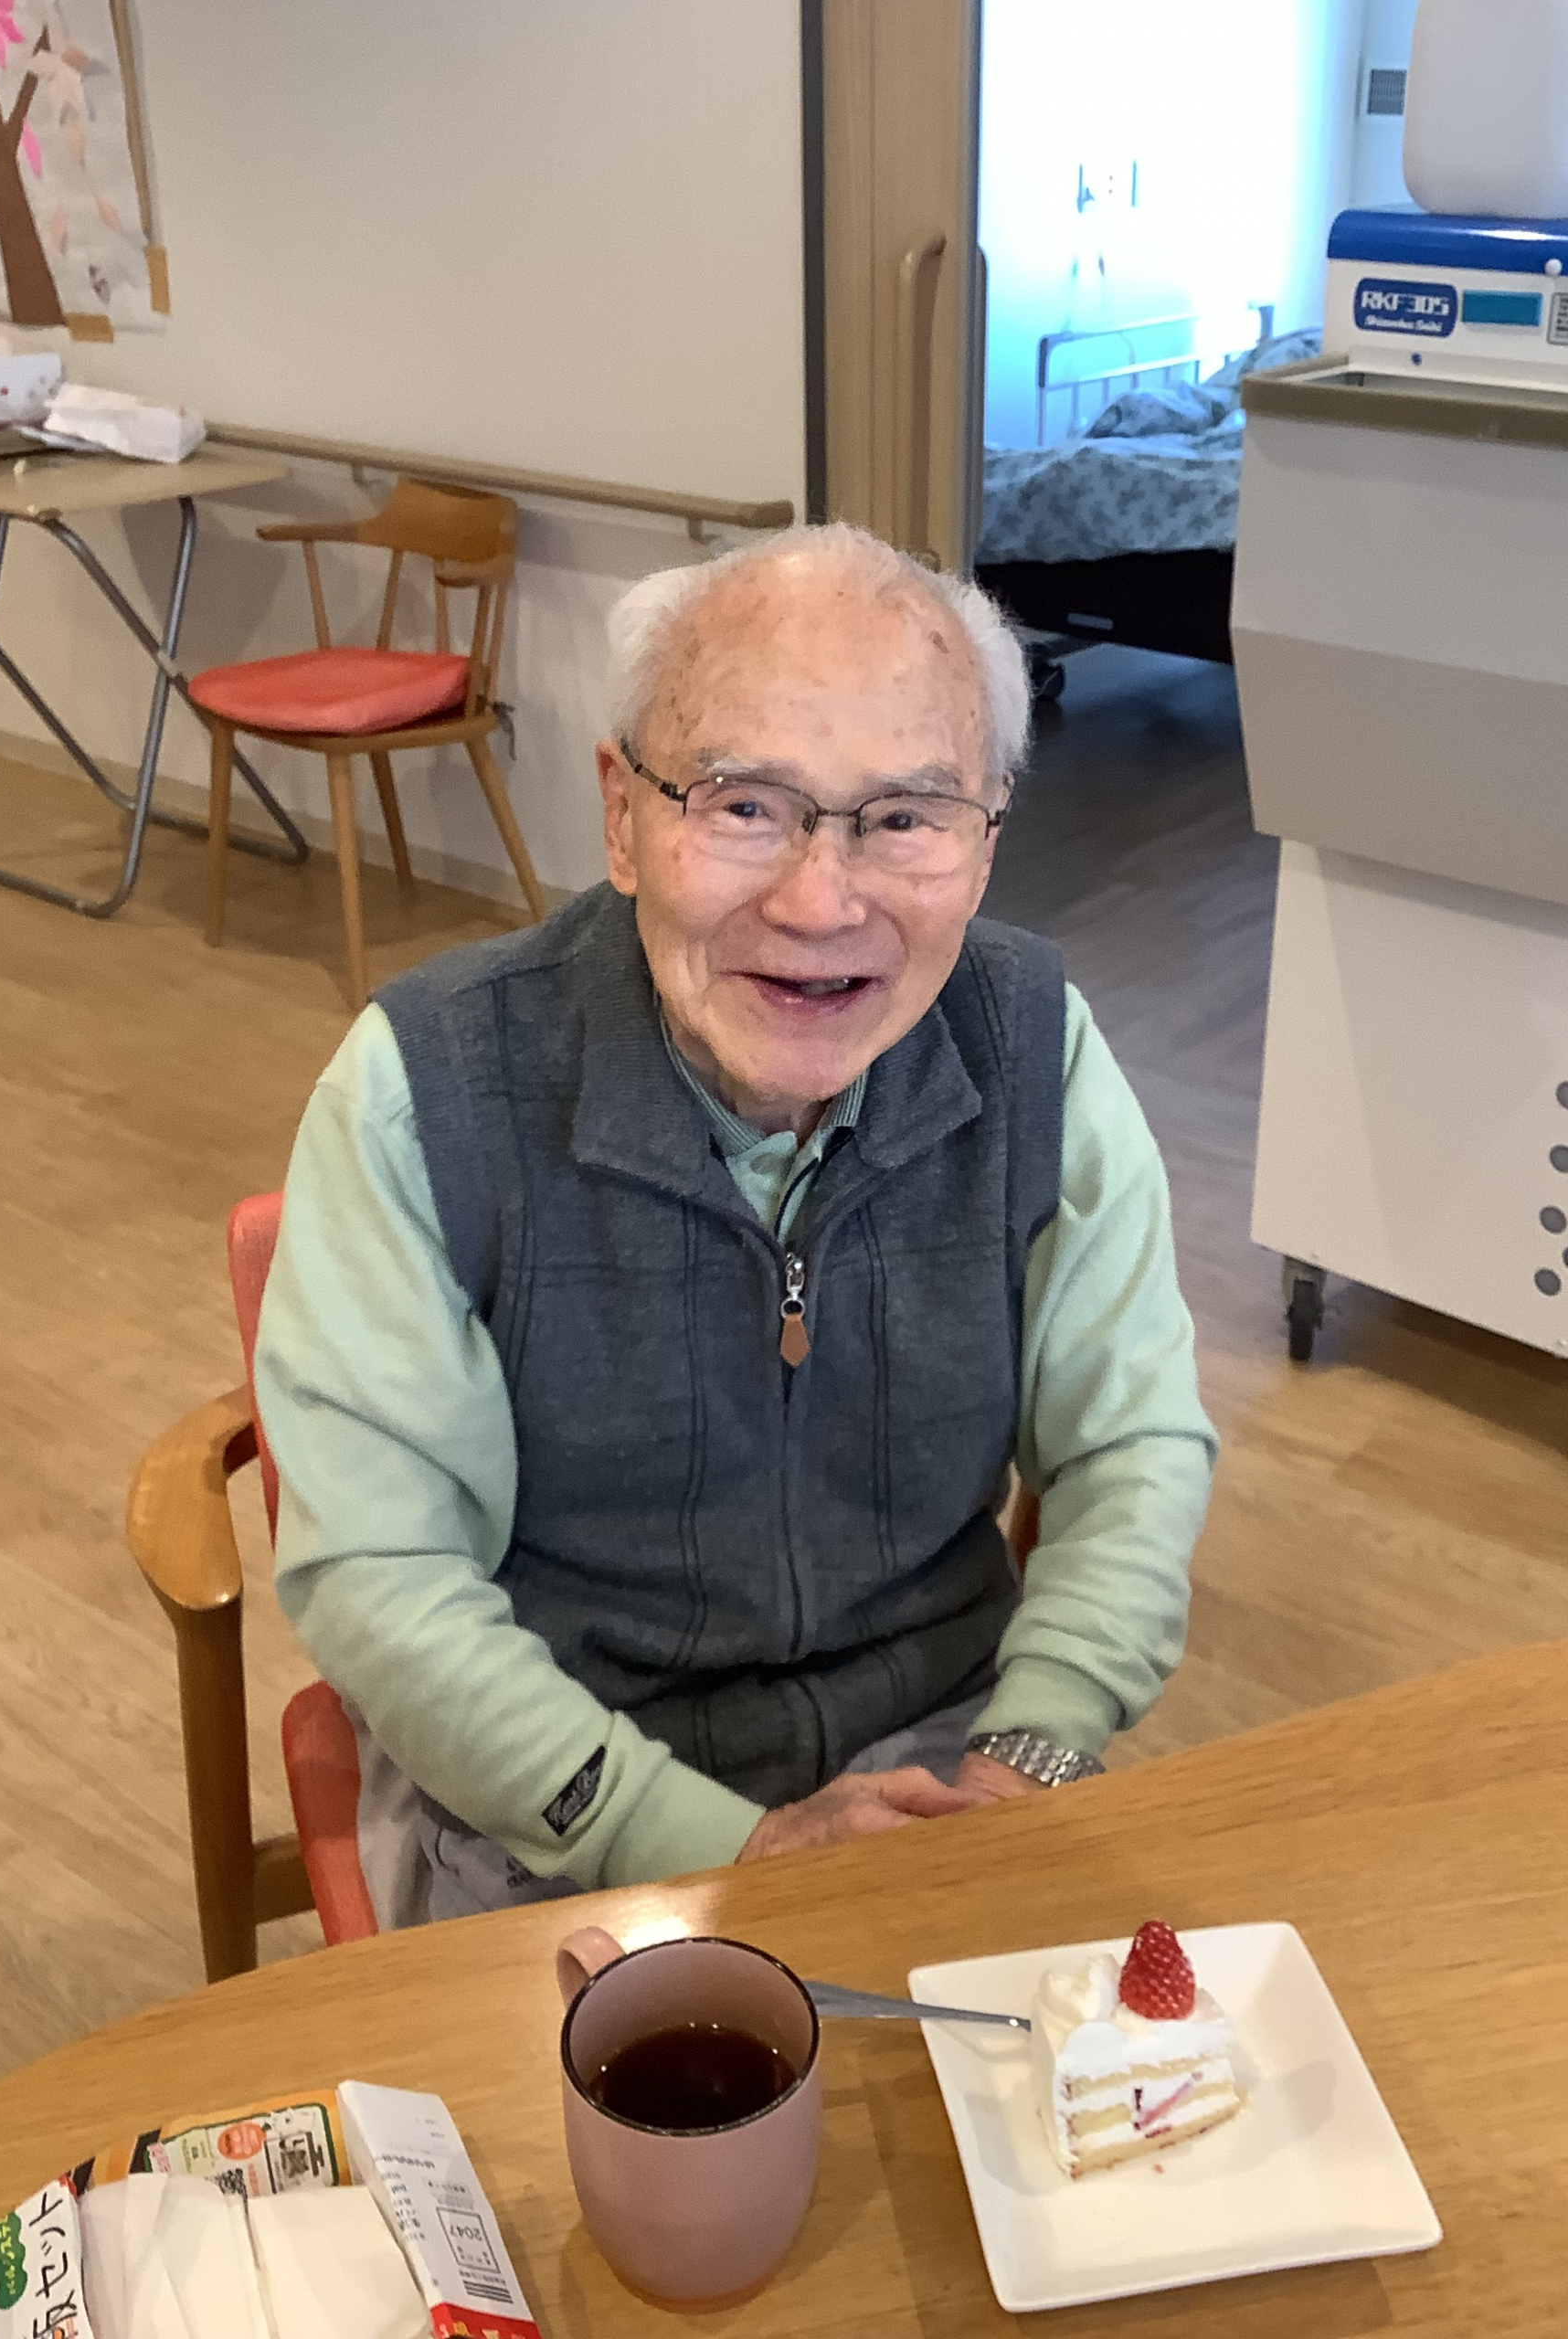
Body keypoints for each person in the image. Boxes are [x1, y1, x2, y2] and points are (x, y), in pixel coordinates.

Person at [256, 523, 1216, 1927]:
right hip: (553, 1792)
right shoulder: (425, 1086)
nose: (820, 902)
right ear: (621, 817)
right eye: (744, 804)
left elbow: (1132, 1446)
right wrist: (717, 1844)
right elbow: (383, 1577)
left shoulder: (1036, 1049)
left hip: (945, 1761)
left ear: (986, 841)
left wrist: (1033, 1755)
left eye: (906, 817)